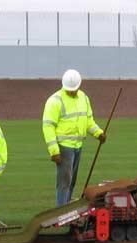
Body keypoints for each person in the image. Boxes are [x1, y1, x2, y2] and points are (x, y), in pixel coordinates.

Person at [42, 69, 106, 206]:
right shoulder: (54, 101)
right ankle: (61, 211)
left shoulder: (83, 98)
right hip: (64, 147)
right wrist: (54, 151)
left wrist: (98, 133)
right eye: (69, 89)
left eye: (74, 89)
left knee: (72, 181)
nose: (72, 91)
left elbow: (88, 121)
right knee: (64, 182)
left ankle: (67, 208)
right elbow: (48, 127)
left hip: (78, 146)